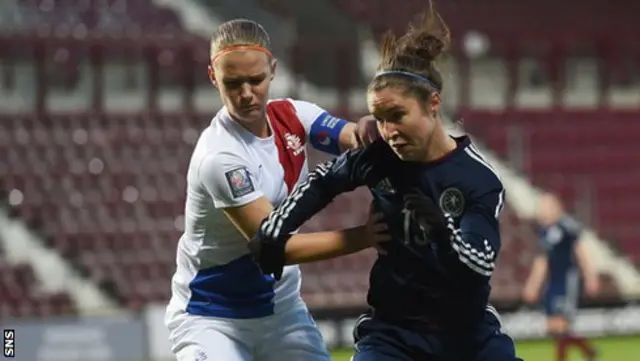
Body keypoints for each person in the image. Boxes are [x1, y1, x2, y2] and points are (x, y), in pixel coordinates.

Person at [249, 2, 523, 360]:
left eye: (397, 116)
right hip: (395, 332)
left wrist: (442, 230)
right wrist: (274, 230)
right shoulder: (380, 157)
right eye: (379, 118)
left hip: (466, 335)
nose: (388, 131)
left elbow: (479, 267)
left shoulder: (477, 178)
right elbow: (324, 181)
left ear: (433, 103)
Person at [164, 19, 387, 361]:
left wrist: (373, 128)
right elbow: (275, 248)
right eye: (232, 83)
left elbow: (353, 138)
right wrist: (367, 236)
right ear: (213, 77)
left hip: (281, 313)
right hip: (211, 317)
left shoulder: (295, 115)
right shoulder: (219, 157)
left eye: (255, 80)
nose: (246, 93)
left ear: (273, 71)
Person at [523, 193, 600, 361]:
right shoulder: (544, 231)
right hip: (554, 281)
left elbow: (581, 252)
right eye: (542, 207)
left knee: (561, 325)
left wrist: (590, 276)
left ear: (557, 207)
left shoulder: (566, 226)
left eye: (547, 206)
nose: (543, 210)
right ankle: (587, 349)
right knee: (553, 326)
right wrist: (533, 285)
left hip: (568, 280)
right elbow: (542, 260)